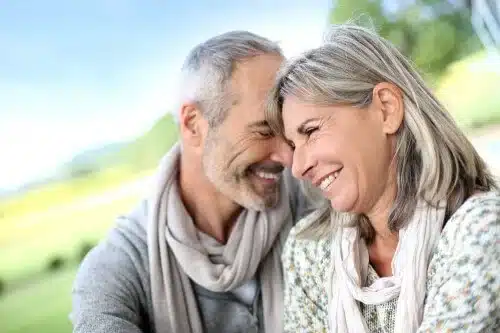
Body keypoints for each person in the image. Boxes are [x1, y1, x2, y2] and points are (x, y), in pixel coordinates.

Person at [70, 31, 313, 333]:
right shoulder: (117, 269)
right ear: (194, 125)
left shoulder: (311, 200)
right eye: (264, 131)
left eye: (287, 130)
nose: (289, 159)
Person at [265, 23, 500, 333]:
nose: (298, 167)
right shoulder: (308, 251)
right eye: (294, 146)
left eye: (311, 131)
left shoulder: (482, 228)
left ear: (387, 109)